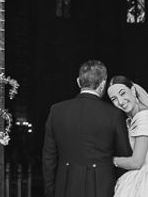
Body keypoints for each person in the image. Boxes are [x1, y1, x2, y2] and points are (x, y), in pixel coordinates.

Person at [42, 61, 132, 197]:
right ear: (103, 84)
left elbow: (49, 157)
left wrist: (50, 191)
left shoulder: (57, 110)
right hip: (102, 188)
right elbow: (124, 156)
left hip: (65, 187)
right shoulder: (114, 114)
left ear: (78, 82)